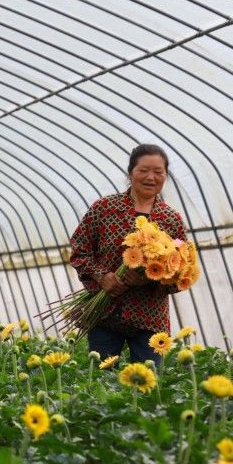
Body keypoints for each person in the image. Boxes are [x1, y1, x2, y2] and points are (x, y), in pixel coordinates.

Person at [69, 143, 188, 366]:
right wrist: (102, 276)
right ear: (130, 172)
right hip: (105, 313)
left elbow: (182, 273)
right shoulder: (104, 208)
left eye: (158, 172)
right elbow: (80, 249)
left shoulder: (171, 220)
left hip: (150, 320)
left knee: (146, 386)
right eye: (143, 170)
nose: (150, 177)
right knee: (102, 383)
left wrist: (151, 278)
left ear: (165, 176)